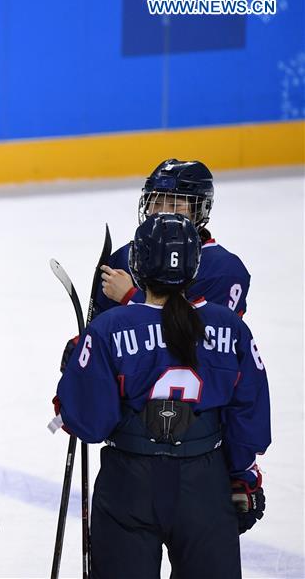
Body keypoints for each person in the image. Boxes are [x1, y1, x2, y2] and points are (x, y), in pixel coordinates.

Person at [56, 213, 270, 579]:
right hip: (204, 484)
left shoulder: (109, 327)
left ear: (138, 264)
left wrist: (73, 375)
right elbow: (249, 414)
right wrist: (242, 476)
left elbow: (89, 423)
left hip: (129, 482)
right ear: (194, 266)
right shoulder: (230, 326)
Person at [96, 159, 251, 317]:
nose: (162, 213)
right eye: (156, 202)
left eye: (175, 205)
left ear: (199, 212)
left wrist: (131, 297)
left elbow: (204, 338)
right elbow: (103, 331)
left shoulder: (224, 270)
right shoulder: (124, 258)